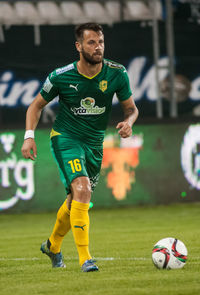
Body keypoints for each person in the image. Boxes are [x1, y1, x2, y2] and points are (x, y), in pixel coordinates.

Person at [21, 22, 139, 272]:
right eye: (91, 42)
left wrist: (129, 123)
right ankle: (86, 259)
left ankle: (52, 246)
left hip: (95, 142)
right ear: (78, 46)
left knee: (75, 199)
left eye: (101, 42)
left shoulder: (117, 73)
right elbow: (35, 106)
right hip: (66, 138)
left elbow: (131, 109)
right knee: (82, 189)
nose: (98, 47)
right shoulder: (61, 76)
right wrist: (28, 136)